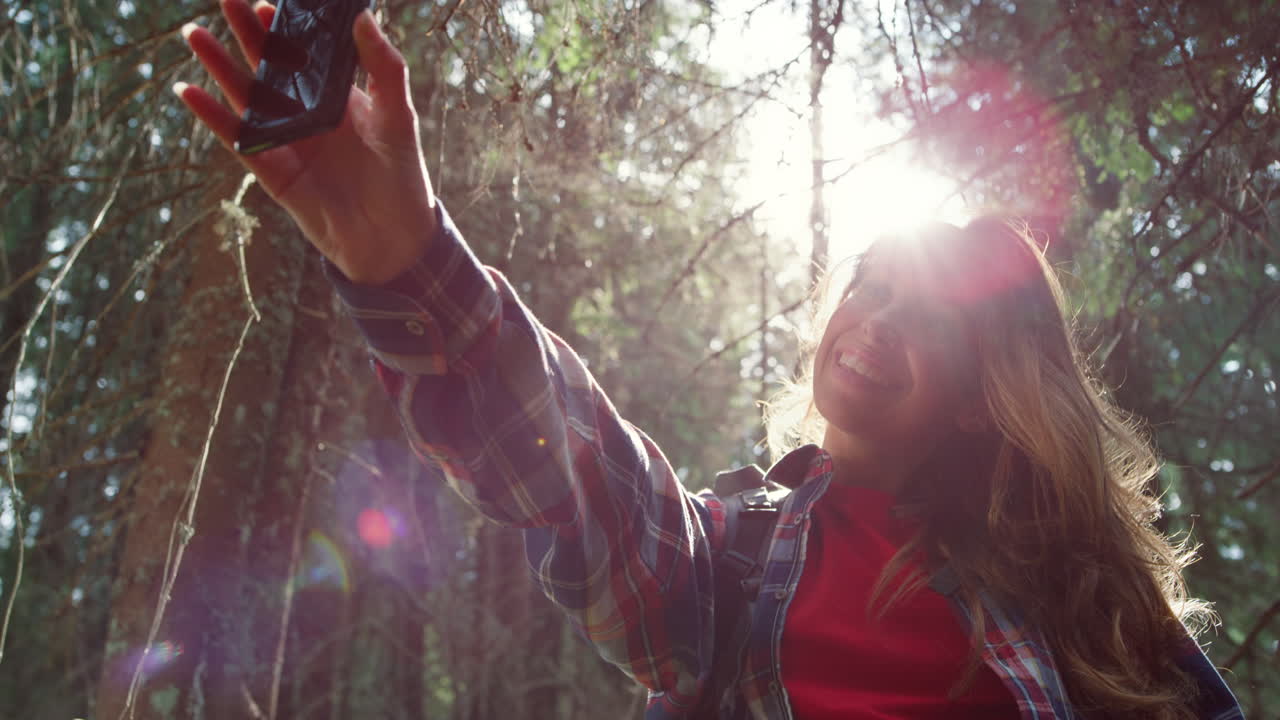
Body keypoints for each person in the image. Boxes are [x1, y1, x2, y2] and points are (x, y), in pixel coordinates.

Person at [176, 2, 1245, 718]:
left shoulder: (1078, 596)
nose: (877, 319)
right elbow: (581, 477)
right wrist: (408, 260)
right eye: (872, 283)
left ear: (983, 397)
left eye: (928, 319)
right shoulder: (735, 554)